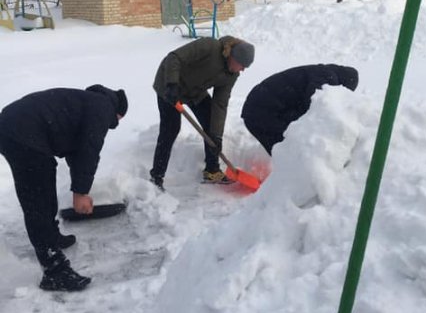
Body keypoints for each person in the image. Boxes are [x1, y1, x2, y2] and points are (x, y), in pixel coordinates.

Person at [0, 84, 128, 292]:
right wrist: (80, 193)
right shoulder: (101, 108)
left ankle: (51, 236)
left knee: (44, 176)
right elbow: (88, 150)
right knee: (37, 197)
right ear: (119, 113)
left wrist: (79, 187)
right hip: (22, 132)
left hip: (17, 126)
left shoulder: (87, 102)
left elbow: (76, 151)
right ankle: (54, 271)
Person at [150, 35, 255, 188]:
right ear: (232, 56)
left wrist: (216, 136)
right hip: (169, 85)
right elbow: (174, 58)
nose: (243, 70)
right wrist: (172, 84)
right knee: (171, 129)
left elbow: (220, 104)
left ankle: (212, 171)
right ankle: (156, 177)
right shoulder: (209, 46)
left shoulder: (231, 75)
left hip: (195, 91)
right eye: (242, 65)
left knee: (211, 123)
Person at [241, 64, 359, 156]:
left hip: (260, 107)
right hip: (261, 110)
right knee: (288, 149)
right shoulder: (328, 78)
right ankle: (284, 181)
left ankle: (283, 178)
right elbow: (316, 105)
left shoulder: (322, 72)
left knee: (286, 148)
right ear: (345, 84)